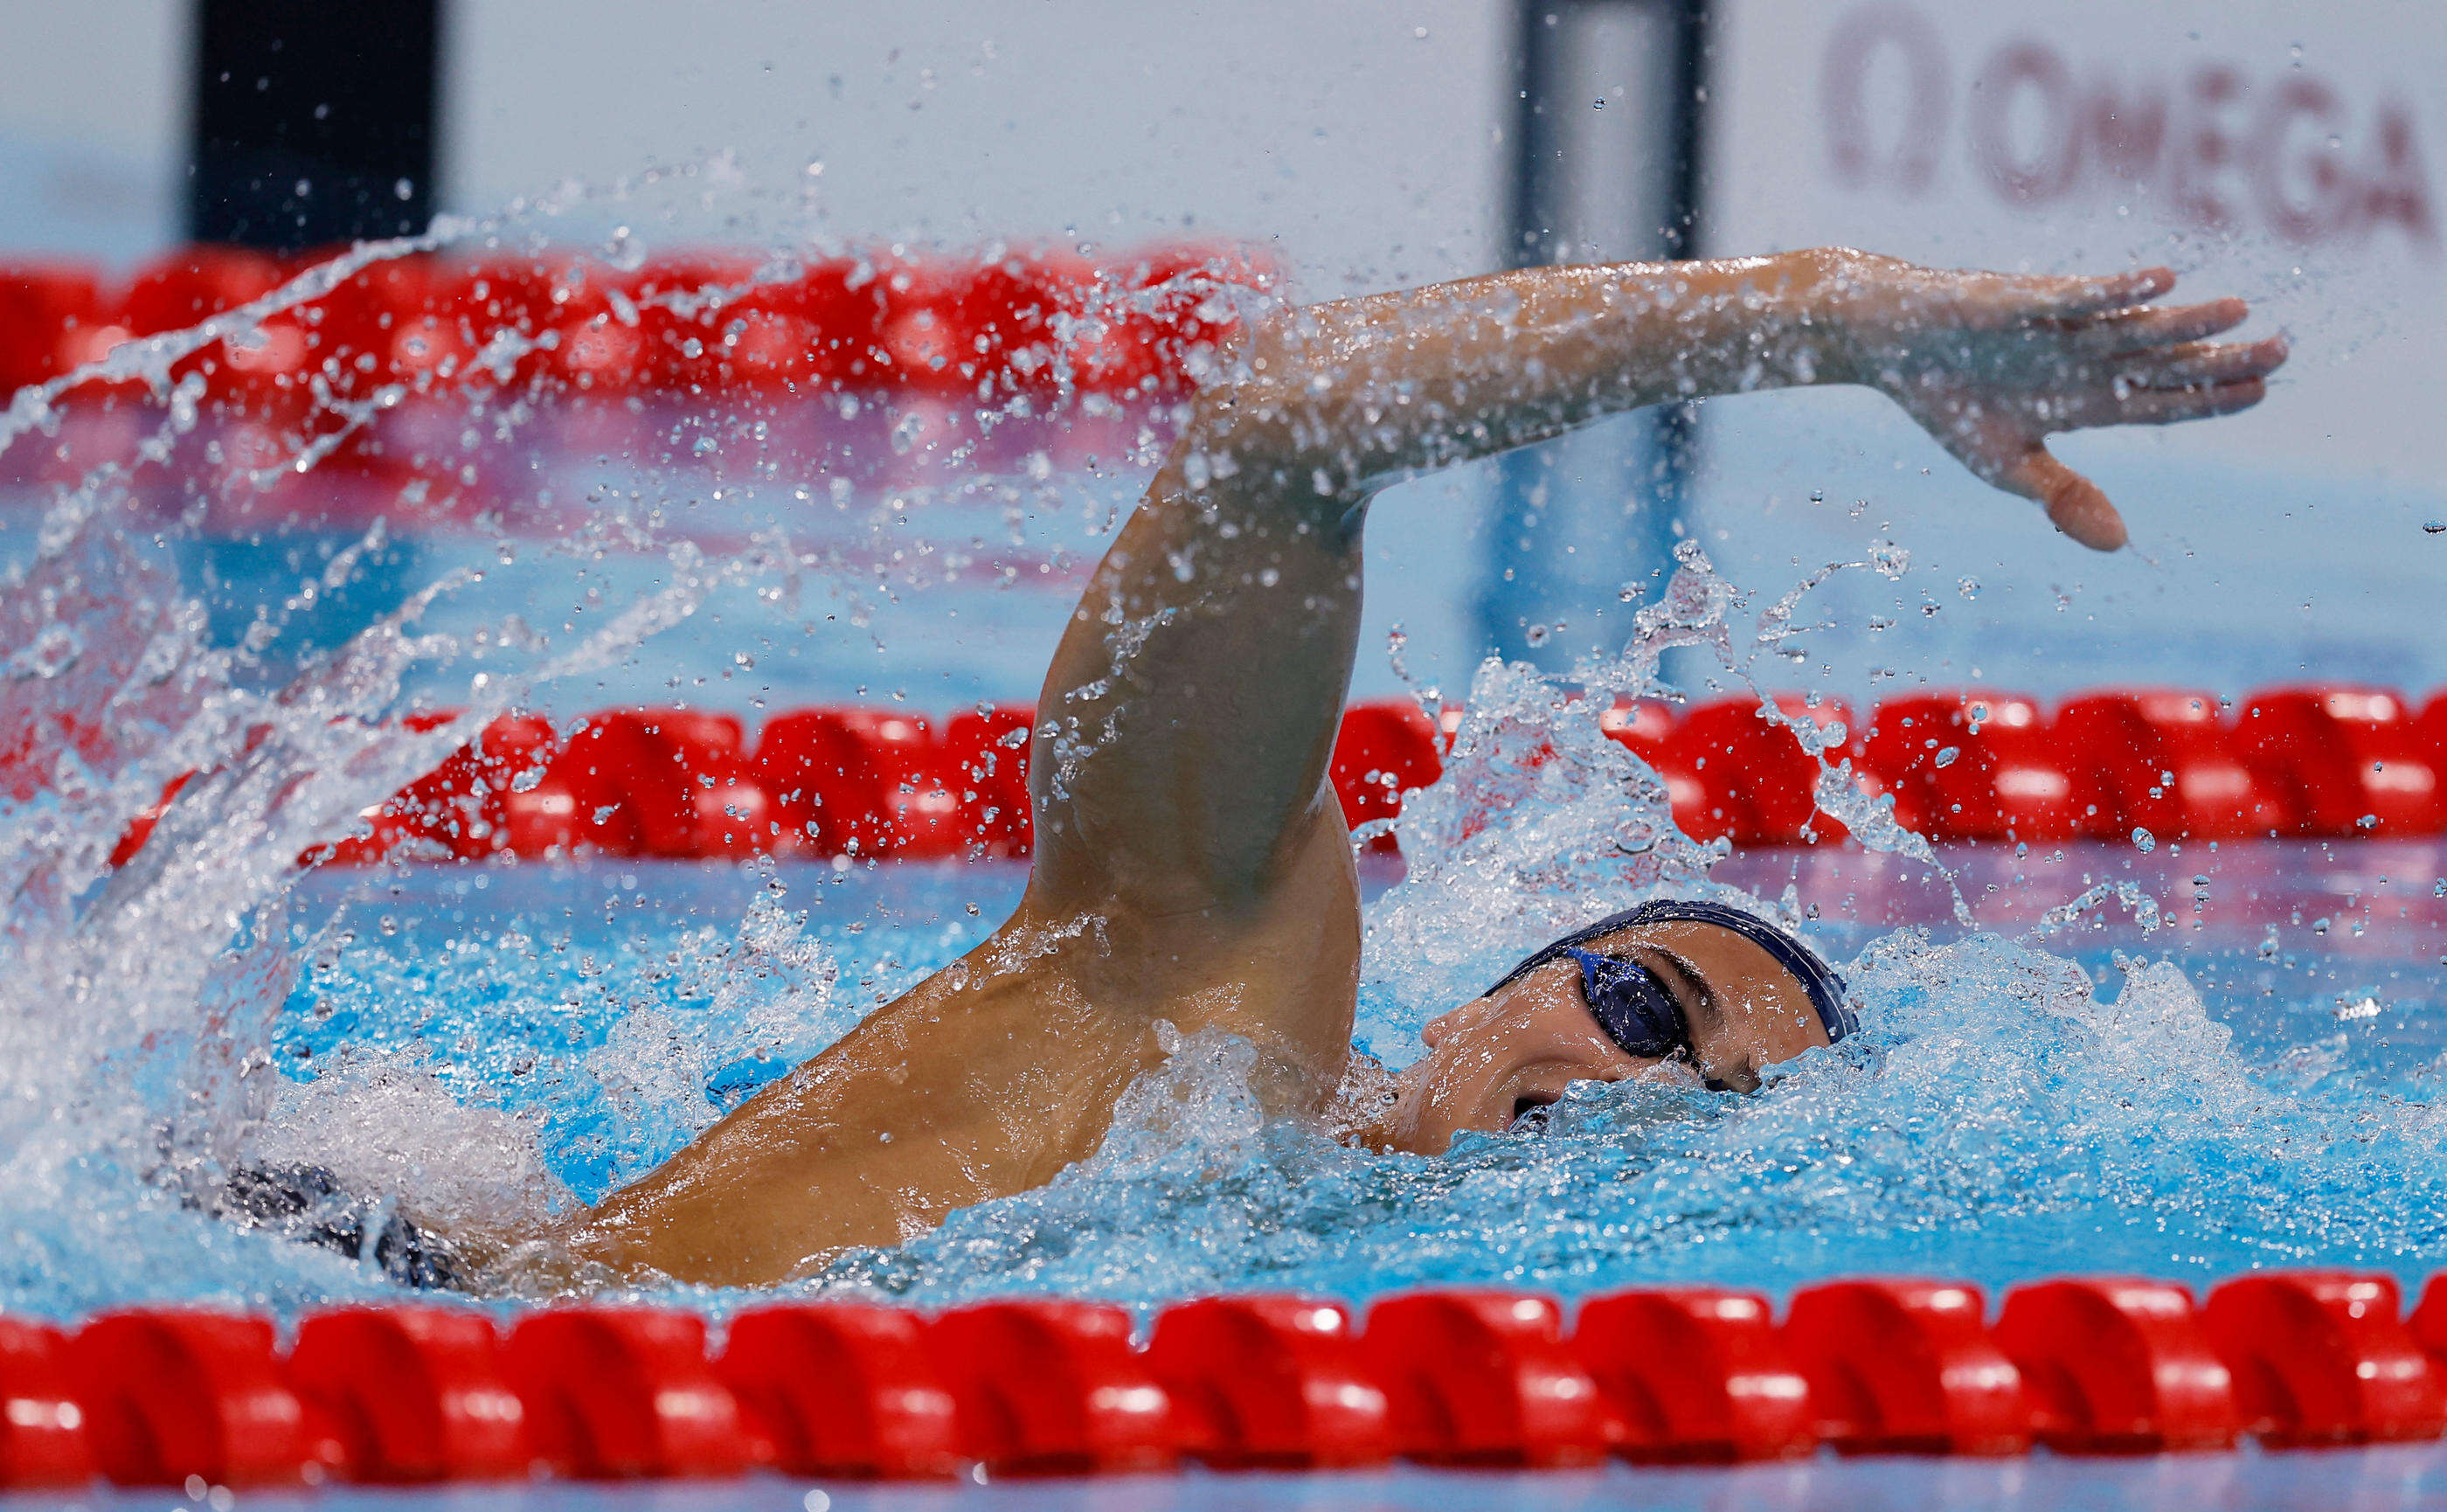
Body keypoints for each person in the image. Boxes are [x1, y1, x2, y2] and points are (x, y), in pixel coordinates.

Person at [240, 247, 2289, 1290]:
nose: (1648, 1081)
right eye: (1647, 1000)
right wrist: (1835, 320)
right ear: (1494, 990)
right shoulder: (1214, 997)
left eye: (1714, 1090)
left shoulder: (1318, 1281)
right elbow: (1289, 422)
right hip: (418, 1335)